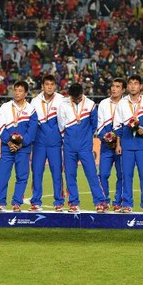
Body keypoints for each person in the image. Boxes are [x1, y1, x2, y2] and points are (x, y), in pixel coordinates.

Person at [57, 83, 106, 213]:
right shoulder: (63, 104)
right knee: (70, 175)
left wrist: (87, 138)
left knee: (92, 175)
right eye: (73, 98)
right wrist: (68, 139)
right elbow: (61, 124)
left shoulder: (90, 104)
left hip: (85, 146)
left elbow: (94, 124)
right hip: (69, 146)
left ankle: (100, 201)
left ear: (82, 94)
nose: (76, 100)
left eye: (78, 97)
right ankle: (73, 202)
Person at [114, 75, 143, 213]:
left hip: (142, 144)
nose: (133, 86)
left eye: (136, 83)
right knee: (127, 175)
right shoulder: (122, 103)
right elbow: (118, 126)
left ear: (141, 86)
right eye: (130, 83)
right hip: (126, 144)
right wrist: (118, 144)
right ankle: (127, 204)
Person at [0, 81, 37, 212]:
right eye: (16, 90)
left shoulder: (31, 110)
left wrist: (21, 144)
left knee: (22, 176)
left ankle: (17, 202)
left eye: (20, 91)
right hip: (7, 147)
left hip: (23, 149)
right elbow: (0, 126)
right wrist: (10, 142)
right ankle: (0, 203)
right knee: (3, 175)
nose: (17, 93)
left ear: (26, 93)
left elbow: (32, 131)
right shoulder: (5, 107)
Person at [29, 74, 65, 212]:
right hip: (39, 143)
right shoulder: (35, 101)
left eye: (52, 84)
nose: (49, 87)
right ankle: (36, 201)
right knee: (37, 172)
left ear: (55, 86)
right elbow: (32, 122)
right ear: (42, 86)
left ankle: (59, 201)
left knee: (57, 172)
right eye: (47, 84)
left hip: (55, 143)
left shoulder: (62, 100)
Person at [96, 78, 126, 211]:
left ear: (123, 90)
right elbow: (99, 124)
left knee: (122, 175)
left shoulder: (127, 103)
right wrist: (106, 137)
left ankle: (118, 202)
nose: (114, 89)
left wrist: (118, 139)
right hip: (106, 146)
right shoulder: (103, 103)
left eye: (117, 86)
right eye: (113, 86)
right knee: (103, 174)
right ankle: (104, 201)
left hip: (123, 145)